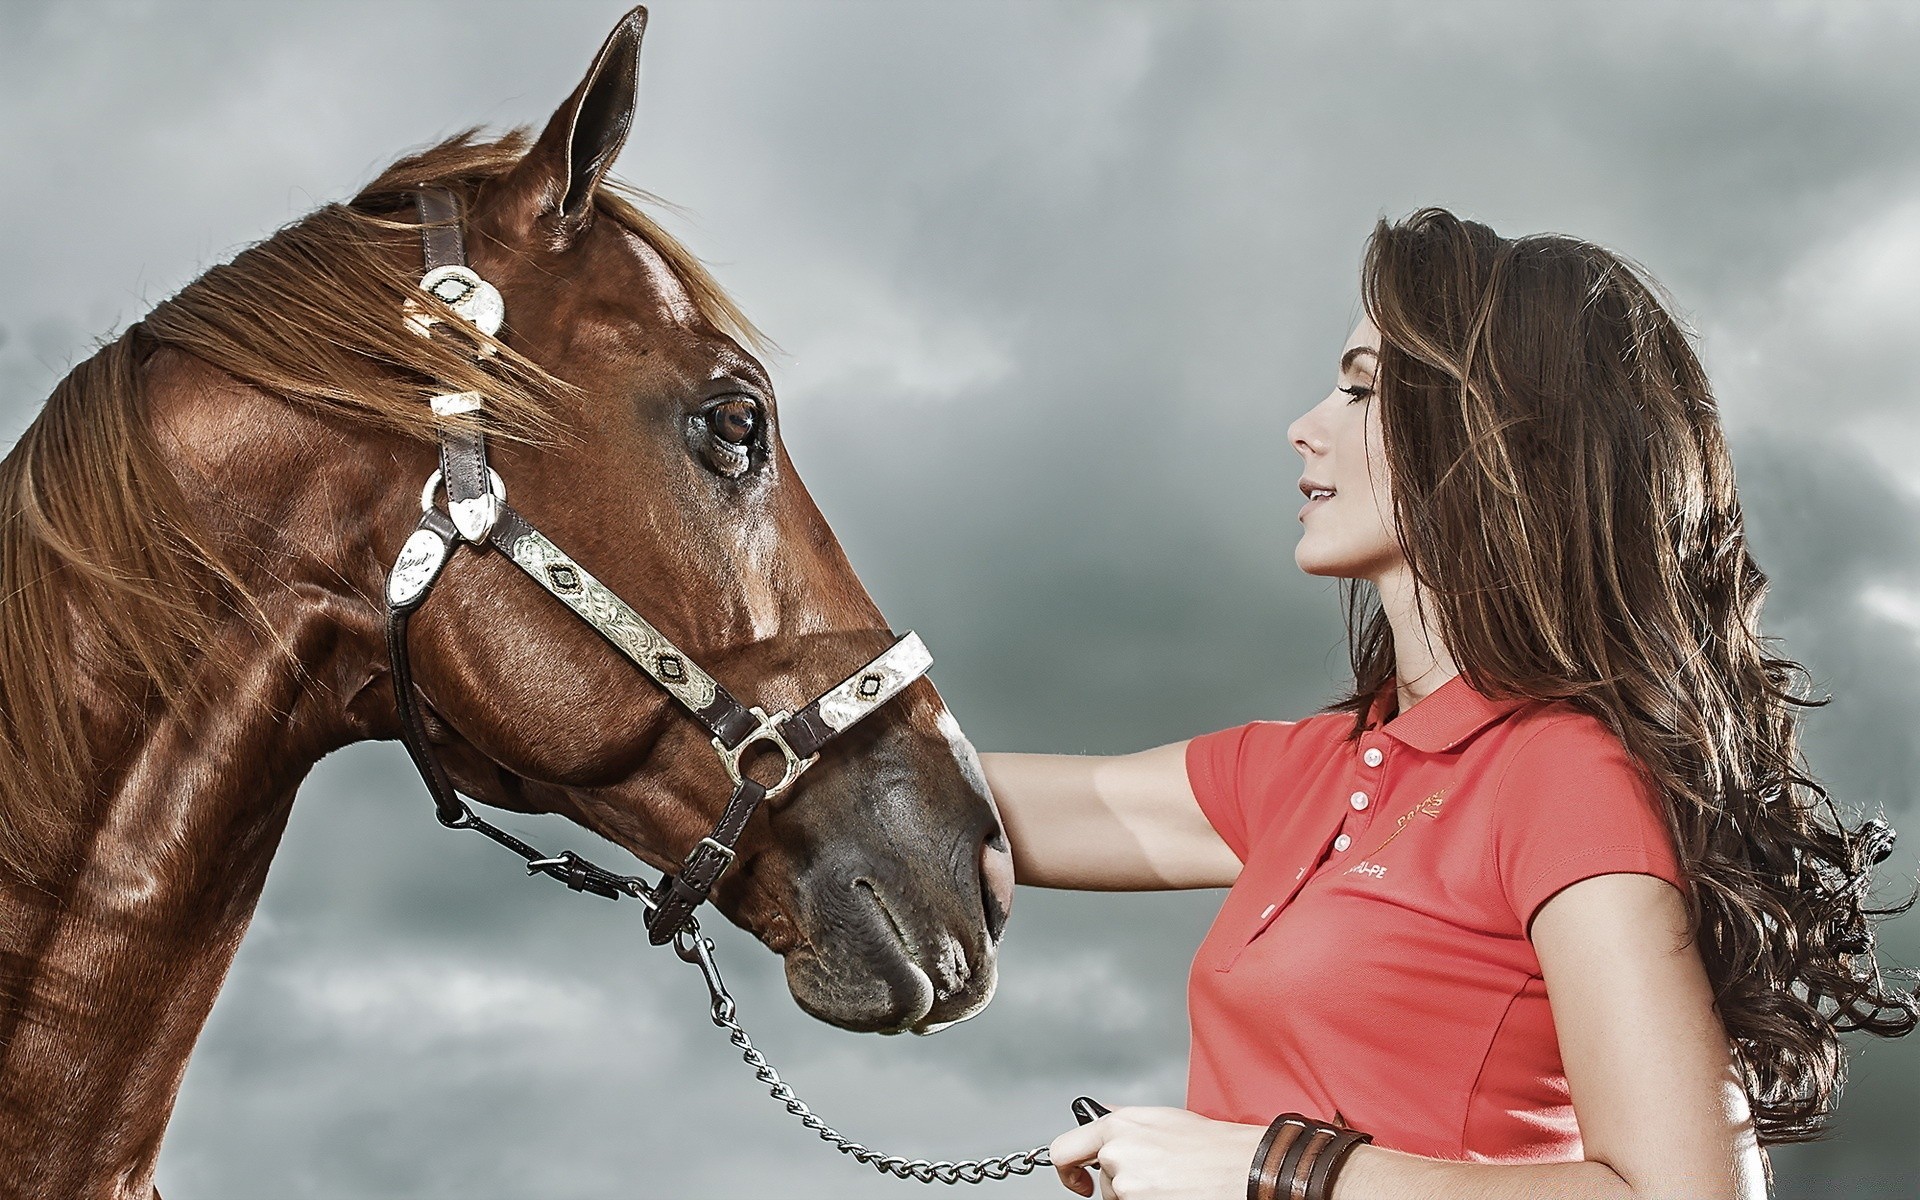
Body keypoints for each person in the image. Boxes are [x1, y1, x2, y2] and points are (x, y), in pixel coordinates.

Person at [986, 208, 1916, 1200]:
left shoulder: (1562, 774)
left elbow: (1685, 1194)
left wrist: (1279, 1169)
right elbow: (917, 794)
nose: (1304, 425)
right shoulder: (1306, 772)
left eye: (1359, 389)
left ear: (1494, 434)